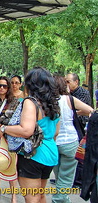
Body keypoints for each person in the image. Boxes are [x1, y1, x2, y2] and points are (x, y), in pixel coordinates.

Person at [0, 67, 60, 203]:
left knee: (31, 198)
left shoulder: (30, 102)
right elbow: (56, 131)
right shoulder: (53, 103)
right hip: (50, 154)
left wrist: (4, 128)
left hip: (33, 154)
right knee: (41, 196)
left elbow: (27, 130)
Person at [52, 75, 93, 203]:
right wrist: (76, 112)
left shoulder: (48, 100)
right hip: (70, 141)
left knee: (59, 177)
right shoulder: (70, 99)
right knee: (66, 178)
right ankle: (59, 199)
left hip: (53, 142)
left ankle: (62, 199)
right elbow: (91, 110)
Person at [65, 73, 92, 187]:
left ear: (76, 82)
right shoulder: (67, 94)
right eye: (65, 81)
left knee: (80, 151)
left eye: (68, 82)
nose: (66, 84)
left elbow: (81, 109)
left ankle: (79, 181)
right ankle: (67, 179)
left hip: (80, 125)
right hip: (71, 126)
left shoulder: (83, 93)